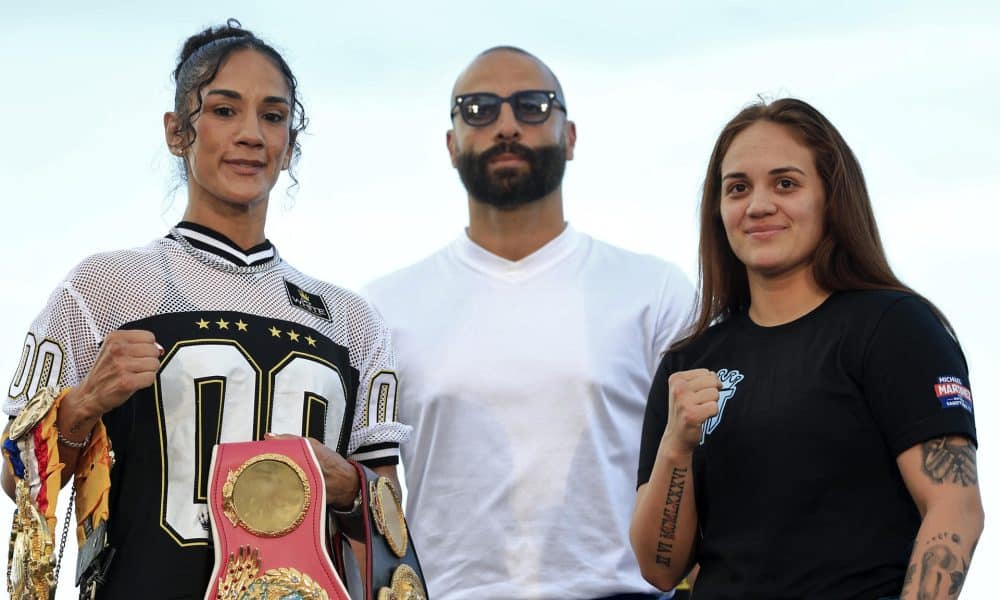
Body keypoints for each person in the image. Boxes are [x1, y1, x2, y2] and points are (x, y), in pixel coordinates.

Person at [2, 20, 407, 598]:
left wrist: (346, 484)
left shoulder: (352, 322)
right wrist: (85, 403)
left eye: (273, 116)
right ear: (177, 132)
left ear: (290, 145)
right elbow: (15, 478)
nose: (251, 134)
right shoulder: (104, 288)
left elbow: (390, 527)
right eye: (223, 110)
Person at [363, 46, 695, 600]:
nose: (507, 125)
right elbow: (368, 492)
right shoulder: (383, 308)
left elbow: (706, 475)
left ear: (570, 136)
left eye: (533, 106)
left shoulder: (655, 291)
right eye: (478, 109)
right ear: (451, 144)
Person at [631, 98, 984, 599]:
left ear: (831, 199)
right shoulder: (689, 363)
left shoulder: (894, 327)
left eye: (785, 184)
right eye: (738, 188)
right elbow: (660, 568)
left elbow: (955, 508)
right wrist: (676, 445)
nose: (758, 205)